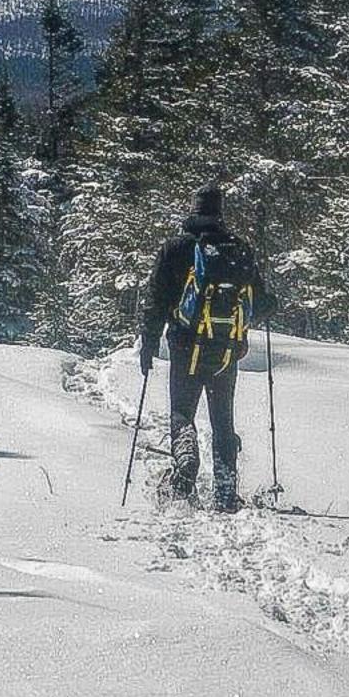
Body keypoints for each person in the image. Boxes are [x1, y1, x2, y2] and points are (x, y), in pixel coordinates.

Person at [137, 185, 275, 511]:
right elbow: (260, 302)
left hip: (185, 346)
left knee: (182, 410)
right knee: (223, 421)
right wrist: (271, 304)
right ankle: (225, 494)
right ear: (220, 213)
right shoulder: (238, 250)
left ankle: (185, 463)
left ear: (193, 210)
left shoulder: (175, 248)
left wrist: (148, 342)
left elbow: (156, 300)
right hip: (226, 349)